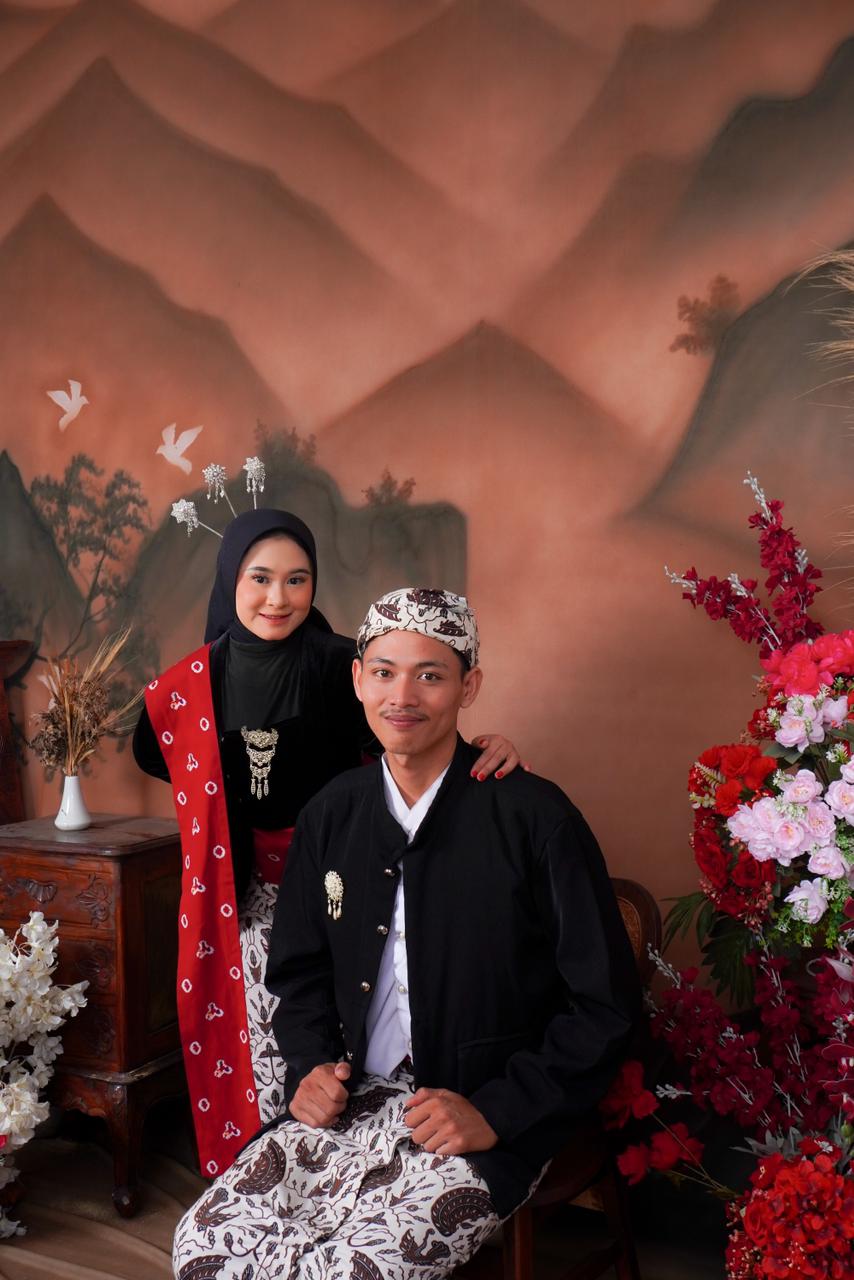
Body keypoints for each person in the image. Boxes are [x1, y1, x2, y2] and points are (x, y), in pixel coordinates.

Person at [172, 586, 641, 1280]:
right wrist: (309, 1067)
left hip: (482, 1115)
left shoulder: (535, 818)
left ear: (468, 687)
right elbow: (298, 972)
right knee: (202, 1250)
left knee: (347, 1273)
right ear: (357, 679)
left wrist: (497, 1110)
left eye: (431, 675)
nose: (403, 696)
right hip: (351, 1100)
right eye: (384, 672)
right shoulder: (331, 814)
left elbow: (606, 1007)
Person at [134, 517, 522, 1179]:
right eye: (260, 578)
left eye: (297, 580)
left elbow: (413, 734)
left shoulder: (345, 666)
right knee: (257, 1032)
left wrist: (486, 748)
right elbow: (154, 749)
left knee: (348, 1036)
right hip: (243, 895)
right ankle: (258, 1177)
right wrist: (214, 791)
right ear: (230, 580)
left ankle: (342, 1175)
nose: (278, 598)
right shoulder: (189, 684)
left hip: (347, 888)